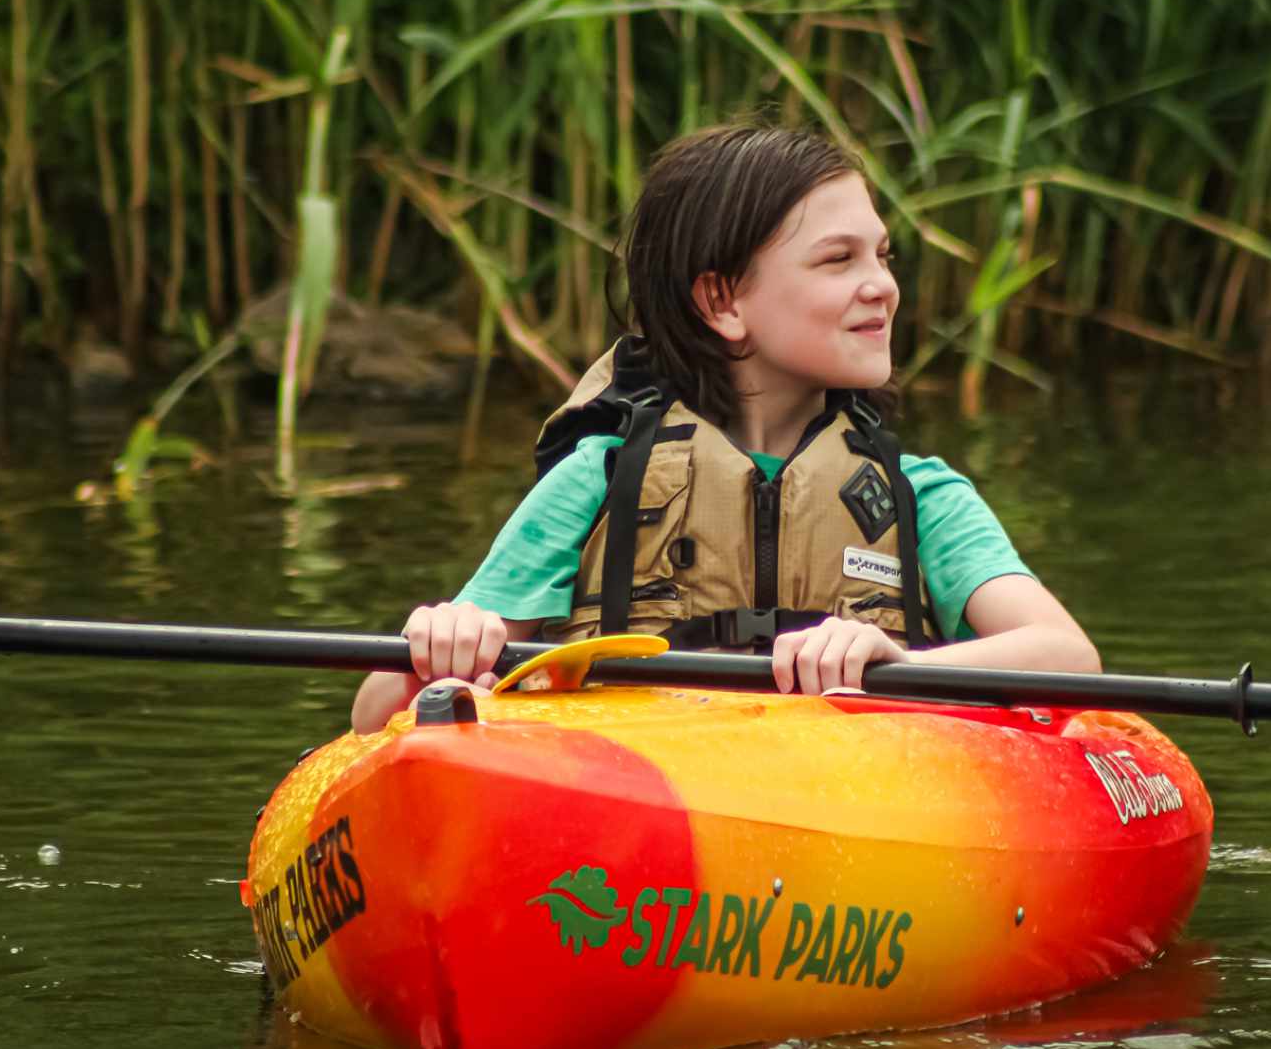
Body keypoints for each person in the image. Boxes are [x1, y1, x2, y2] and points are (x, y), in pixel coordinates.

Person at [352, 122, 1098, 732]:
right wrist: (438, 643)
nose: (884, 286)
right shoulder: (602, 480)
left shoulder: (918, 496)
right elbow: (376, 715)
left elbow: (1069, 657)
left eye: (882, 254)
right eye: (839, 259)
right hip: (638, 810)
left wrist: (895, 663)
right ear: (722, 301)